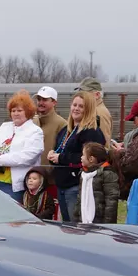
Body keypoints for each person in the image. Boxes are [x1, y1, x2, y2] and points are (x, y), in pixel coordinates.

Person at [48, 91, 106, 221]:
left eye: (81, 106)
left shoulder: (92, 132)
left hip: (77, 186)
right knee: (66, 226)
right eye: (74, 105)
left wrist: (61, 158)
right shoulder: (66, 130)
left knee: (76, 227)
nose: (76, 108)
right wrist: (53, 155)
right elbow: (62, 150)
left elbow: (90, 159)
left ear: (88, 109)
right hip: (62, 185)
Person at [0, 90, 44, 201]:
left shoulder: (35, 131)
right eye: (13, 110)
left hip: (13, 186)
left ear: (28, 112)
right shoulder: (4, 127)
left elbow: (27, 156)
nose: (15, 113)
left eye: (19, 110)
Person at [75, 142, 119, 224]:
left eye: (83, 155)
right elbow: (80, 199)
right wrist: (77, 218)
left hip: (100, 221)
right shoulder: (84, 175)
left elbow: (111, 202)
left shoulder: (107, 174)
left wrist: (107, 224)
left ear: (91, 159)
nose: (81, 157)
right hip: (83, 220)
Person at [32, 87, 66, 169]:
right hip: (31, 176)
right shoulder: (32, 121)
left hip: (50, 177)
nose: (40, 103)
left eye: (44, 100)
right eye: (39, 99)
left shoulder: (62, 124)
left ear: (54, 102)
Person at [76, 78, 112, 144]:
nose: (81, 96)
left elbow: (104, 143)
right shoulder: (93, 110)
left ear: (97, 95)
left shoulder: (100, 113)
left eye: (85, 93)